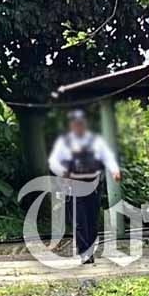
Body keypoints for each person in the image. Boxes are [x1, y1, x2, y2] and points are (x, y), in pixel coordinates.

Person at [48, 109, 121, 265]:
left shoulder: (95, 141)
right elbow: (54, 162)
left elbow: (107, 156)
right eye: (75, 123)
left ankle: (90, 249)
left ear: (84, 124)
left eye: (80, 123)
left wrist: (114, 170)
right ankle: (85, 253)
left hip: (93, 185)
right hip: (73, 186)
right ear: (71, 125)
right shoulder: (64, 142)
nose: (78, 126)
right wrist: (63, 173)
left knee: (92, 219)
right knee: (79, 220)